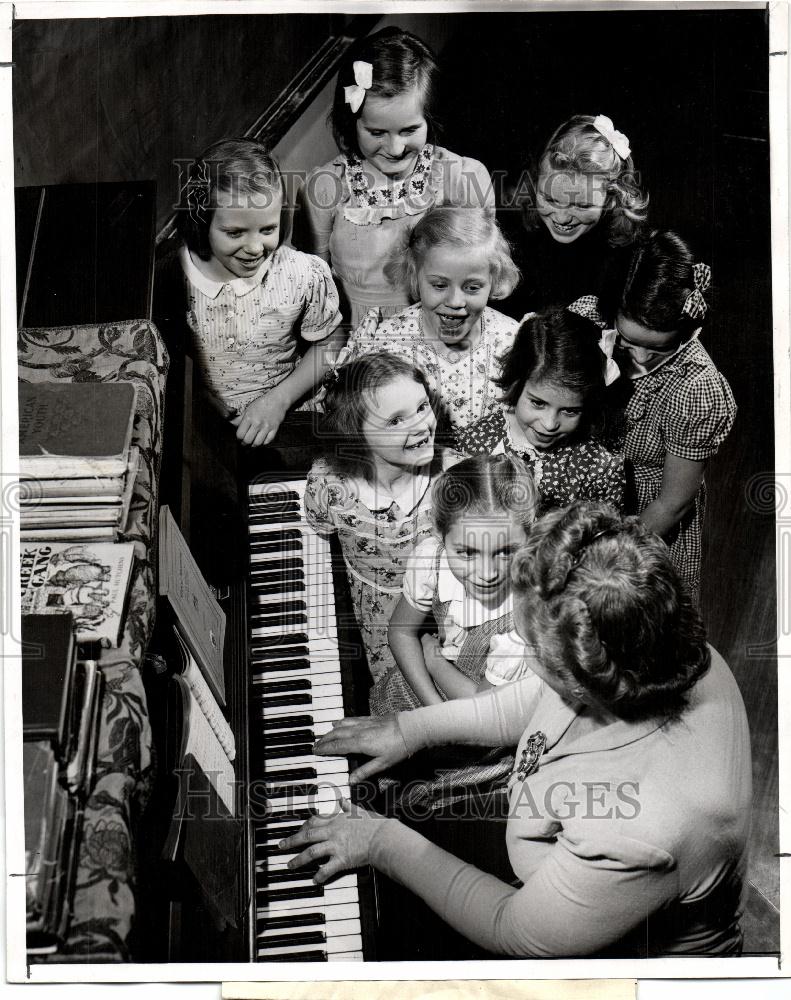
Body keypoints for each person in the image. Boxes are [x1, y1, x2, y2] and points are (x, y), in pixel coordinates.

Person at [280, 502, 752, 958]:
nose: (524, 656)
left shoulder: (642, 833)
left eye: (530, 647)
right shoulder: (655, 646)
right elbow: (540, 699)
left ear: (576, 675)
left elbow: (512, 929)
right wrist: (413, 729)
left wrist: (379, 841)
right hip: (544, 844)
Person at [153, 137, 345, 450]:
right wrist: (201, 402)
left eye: (268, 229)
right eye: (235, 233)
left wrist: (278, 401)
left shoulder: (302, 273)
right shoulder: (170, 279)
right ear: (202, 221)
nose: (256, 248)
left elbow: (330, 340)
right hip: (204, 431)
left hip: (289, 418)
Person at [298, 27, 494, 327]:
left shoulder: (463, 177)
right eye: (376, 132)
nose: (395, 148)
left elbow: (479, 276)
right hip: (356, 339)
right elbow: (313, 283)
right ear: (353, 123)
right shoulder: (325, 187)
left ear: (430, 117)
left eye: (409, 130)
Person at [303, 353, 456, 714]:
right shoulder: (331, 487)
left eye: (422, 407)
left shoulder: (455, 477)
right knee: (398, 699)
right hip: (380, 618)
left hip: (448, 607)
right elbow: (320, 529)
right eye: (396, 420)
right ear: (357, 437)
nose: (420, 425)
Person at [598, 229, 737, 598]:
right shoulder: (592, 322)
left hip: (650, 519)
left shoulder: (696, 388)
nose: (640, 359)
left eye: (657, 348)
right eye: (629, 341)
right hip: (589, 492)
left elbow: (673, 503)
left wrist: (610, 555)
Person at [336, 207, 520, 445]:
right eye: (439, 285)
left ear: (494, 281)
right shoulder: (388, 344)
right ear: (415, 276)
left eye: (472, 287)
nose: (455, 302)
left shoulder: (512, 341)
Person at [390, 454, 539, 706]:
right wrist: (434, 708)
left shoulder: (526, 619)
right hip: (424, 689)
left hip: (485, 718)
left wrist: (434, 662)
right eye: (468, 553)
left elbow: (487, 709)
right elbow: (400, 632)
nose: (488, 573)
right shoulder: (431, 560)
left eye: (506, 552)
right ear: (440, 533)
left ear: (531, 535)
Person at [455, 306, 625, 514]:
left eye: (570, 411)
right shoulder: (477, 441)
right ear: (516, 383)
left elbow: (604, 540)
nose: (549, 424)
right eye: (538, 403)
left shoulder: (599, 466)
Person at [500, 114, 647, 319]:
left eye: (582, 205)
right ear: (536, 184)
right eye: (549, 199)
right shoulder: (512, 237)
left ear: (612, 199)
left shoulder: (628, 259)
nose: (561, 218)